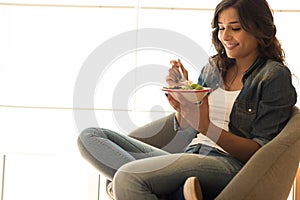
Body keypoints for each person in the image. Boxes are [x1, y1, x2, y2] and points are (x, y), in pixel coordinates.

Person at [77, 0, 297, 199]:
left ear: (259, 29)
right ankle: (176, 192)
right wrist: (182, 103)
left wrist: (208, 127)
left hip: (228, 165)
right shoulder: (214, 67)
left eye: (235, 28)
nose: (225, 36)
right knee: (91, 137)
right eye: (221, 28)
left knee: (126, 178)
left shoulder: (273, 76)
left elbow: (260, 154)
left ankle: (166, 191)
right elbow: (188, 129)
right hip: (191, 154)